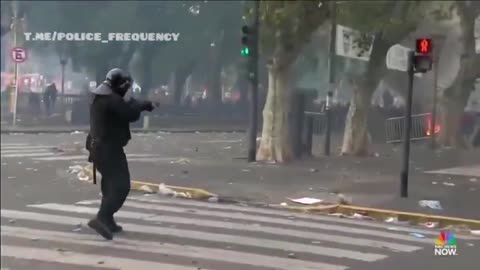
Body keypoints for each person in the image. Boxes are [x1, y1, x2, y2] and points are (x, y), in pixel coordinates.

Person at [85, 68, 155, 240]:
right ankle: (102, 217)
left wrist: (138, 104)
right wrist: (143, 105)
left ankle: (107, 219)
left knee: (109, 184)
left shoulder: (100, 97)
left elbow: (124, 107)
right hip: (108, 148)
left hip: (98, 147)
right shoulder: (111, 100)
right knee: (121, 185)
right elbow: (130, 113)